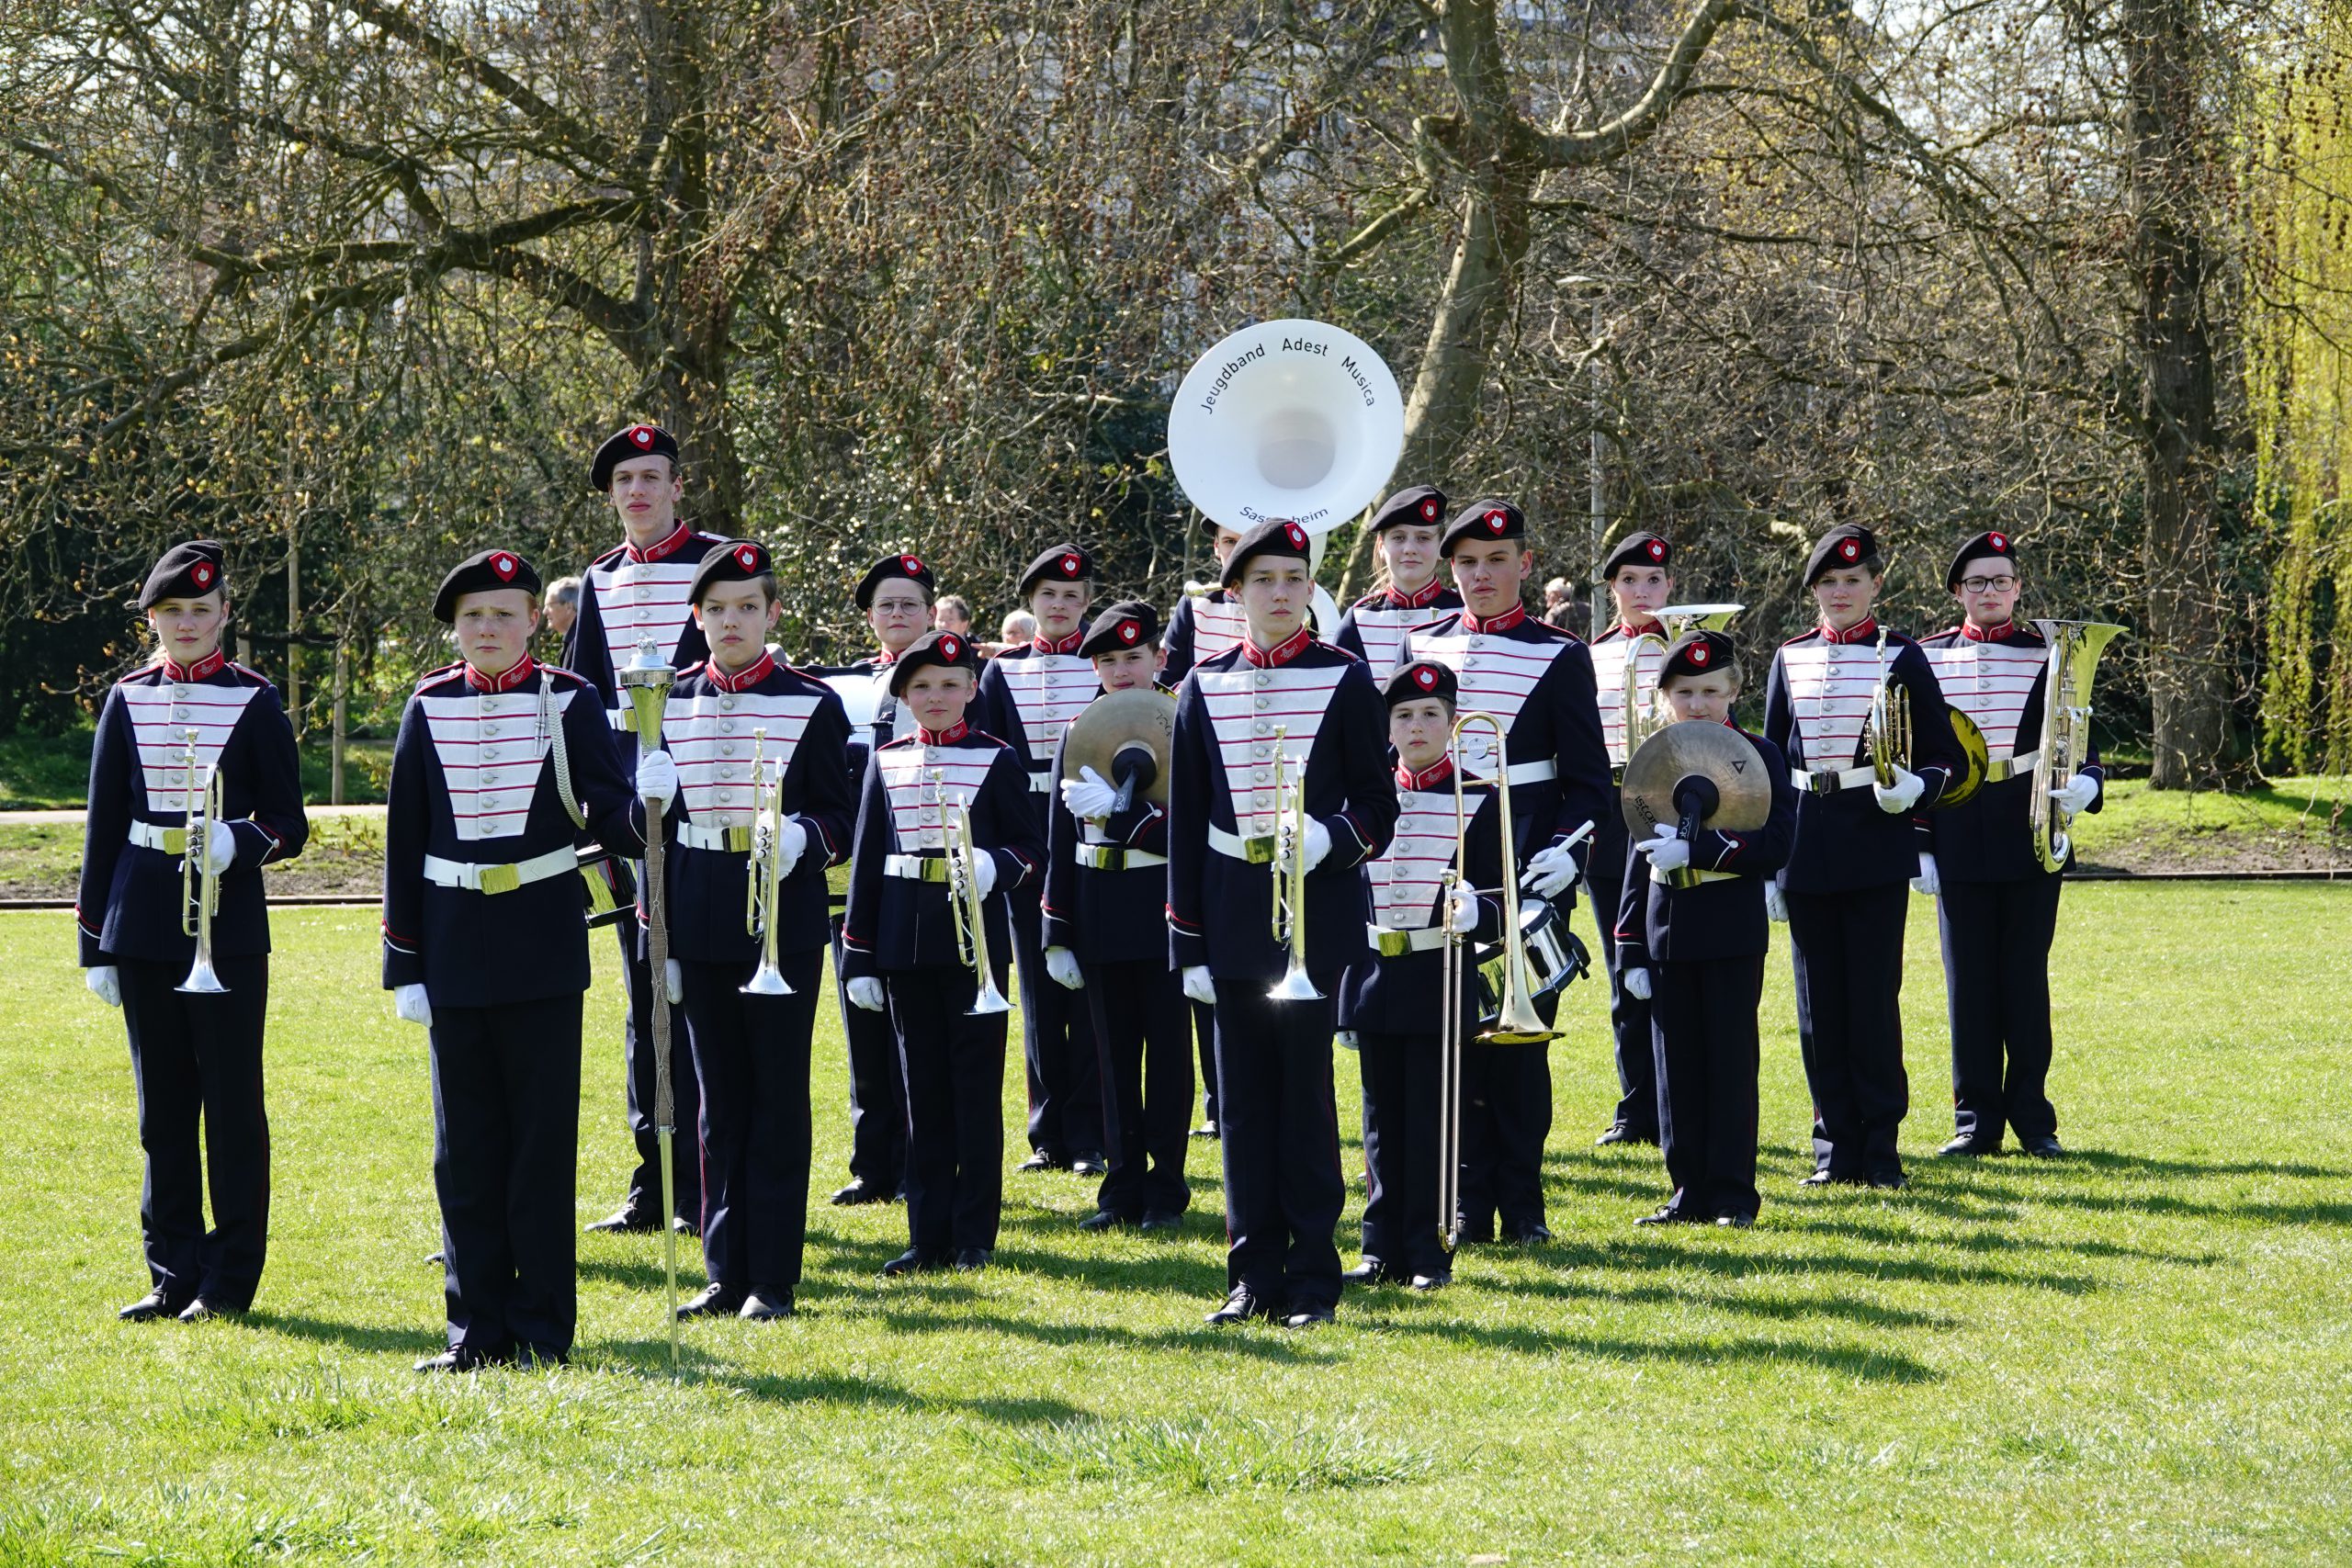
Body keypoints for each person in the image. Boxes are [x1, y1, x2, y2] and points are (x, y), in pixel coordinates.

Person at [383, 548, 649, 1371]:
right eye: (472, 616)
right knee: (462, 1152)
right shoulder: (427, 705)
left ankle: (541, 1329)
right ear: (455, 629)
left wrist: (650, 800)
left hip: (540, 942)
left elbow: (614, 821)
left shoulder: (570, 700)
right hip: (454, 942)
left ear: (535, 619)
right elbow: (404, 842)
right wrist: (405, 964)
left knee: (539, 1148)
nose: (488, 629)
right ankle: (474, 1332)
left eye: (504, 613)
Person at [1169, 517, 1396, 1328]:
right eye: (1262, 580)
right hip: (1231, 912)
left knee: (1305, 1100)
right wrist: (1186, 938)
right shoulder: (1202, 683)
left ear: (1309, 588)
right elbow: (1187, 821)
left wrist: (1332, 837)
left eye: (1293, 579)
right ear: (1235, 592)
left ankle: (1312, 1276)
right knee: (1239, 1105)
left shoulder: (1347, 677)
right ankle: (1251, 1275)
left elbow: (1380, 804)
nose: (1279, 593)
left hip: (1315, 917)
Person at [80, 541, 309, 1323]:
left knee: (233, 1105)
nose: (186, 624)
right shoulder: (127, 696)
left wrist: (239, 842)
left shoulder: (257, 698)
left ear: (225, 616)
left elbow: (290, 820)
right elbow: (103, 826)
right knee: (162, 1108)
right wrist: (94, 942)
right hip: (144, 919)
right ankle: (171, 1269)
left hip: (229, 921)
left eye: (201, 611)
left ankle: (230, 1276)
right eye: (172, 612)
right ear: (152, 618)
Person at [652, 541, 856, 1322]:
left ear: (773, 614)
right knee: (716, 1101)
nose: (730, 620)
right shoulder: (663, 700)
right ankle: (721, 1271)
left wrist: (806, 836)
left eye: (746, 606)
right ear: (696, 617)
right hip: (699, 909)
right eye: (715, 608)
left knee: (776, 1097)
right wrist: (656, 934)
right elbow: (651, 837)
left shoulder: (814, 700)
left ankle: (771, 1276)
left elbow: (843, 815)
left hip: (784, 916)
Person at [1407, 500, 1612, 1245]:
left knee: (1521, 1047)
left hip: (1527, 867)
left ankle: (1523, 1204)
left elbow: (1590, 780)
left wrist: (1569, 850)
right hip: (1440, 866)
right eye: (1465, 562)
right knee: (1452, 1042)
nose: (1479, 575)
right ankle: (1464, 1201)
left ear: (1525, 565)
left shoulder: (1560, 653)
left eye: (1496, 561)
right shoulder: (1419, 644)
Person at [1763, 524, 1962, 1190]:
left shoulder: (1902, 655)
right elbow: (1767, 762)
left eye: (1852, 580)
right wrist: (1769, 860)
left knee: (1873, 1001)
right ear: (1814, 590)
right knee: (1818, 1008)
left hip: (1874, 844)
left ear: (1875, 583)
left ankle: (1880, 1148)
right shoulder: (1789, 657)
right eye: (1827, 582)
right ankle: (1832, 1149)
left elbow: (1947, 755)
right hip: (1804, 847)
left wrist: (1917, 789)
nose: (1839, 592)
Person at [564, 422, 726, 1237]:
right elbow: (584, 698)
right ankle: (654, 1179)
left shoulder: (721, 562)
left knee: (698, 989)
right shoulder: (598, 581)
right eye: (624, 479)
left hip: (707, 802)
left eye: (651, 476)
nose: (638, 492)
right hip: (633, 815)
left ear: (675, 485)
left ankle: (712, 1176)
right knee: (642, 997)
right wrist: (603, 812)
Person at [842, 630, 1042, 1275]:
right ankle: (926, 1234)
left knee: (975, 1093)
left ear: (972, 691)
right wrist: (860, 956)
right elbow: (868, 862)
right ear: (903, 693)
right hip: (905, 944)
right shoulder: (887, 759)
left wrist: (995, 864)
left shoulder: (999, 757)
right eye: (921, 686)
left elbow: (1031, 849)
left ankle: (974, 1233)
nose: (936, 696)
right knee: (919, 1093)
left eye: (950, 685)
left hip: (974, 945)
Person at [1917, 531, 2104, 1159]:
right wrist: (1919, 844)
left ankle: (2033, 1118)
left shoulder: (2050, 650)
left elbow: (2080, 736)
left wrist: (2088, 782)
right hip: (1956, 825)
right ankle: (1975, 1120)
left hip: (2030, 826)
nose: (1990, 592)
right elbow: (1914, 752)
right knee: (1967, 983)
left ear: (2019, 587)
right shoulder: (1927, 656)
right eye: (1977, 582)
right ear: (1957, 592)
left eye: (2001, 580)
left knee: (2025, 980)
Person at [1614, 629, 1795, 1228]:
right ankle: (1686, 1188)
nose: (1697, 704)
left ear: (1734, 690)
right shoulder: (1656, 758)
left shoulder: (1764, 755)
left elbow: (1775, 844)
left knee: (1729, 1062)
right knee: (1675, 1066)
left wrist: (1698, 848)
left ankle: (1733, 1194)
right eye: (1684, 692)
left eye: (1710, 690)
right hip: (1666, 929)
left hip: (1730, 928)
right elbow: (1634, 859)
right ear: (1665, 698)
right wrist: (1630, 948)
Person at [1340, 660, 1502, 1292]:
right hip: (1376, 969)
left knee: (1433, 1122)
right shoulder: (1369, 798)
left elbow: (1499, 900)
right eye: (1403, 715)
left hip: (1440, 972)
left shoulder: (1479, 796)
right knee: (1379, 1121)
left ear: (1453, 723)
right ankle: (1379, 1247)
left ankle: (1430, 1250)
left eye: (1431, 714)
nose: (1416, 726)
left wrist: (1477, 911)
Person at [1042, 601, 1191, 1233]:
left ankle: (1166, 1186)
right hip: (1101, 911)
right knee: (1111, 1058)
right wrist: (1057, 931)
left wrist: (1126, 818)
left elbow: (1193, 833)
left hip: (1162, 909)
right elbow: (1058, 841)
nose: (1122, 670)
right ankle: (1120, 1186)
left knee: (1169, 1058)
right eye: (1108, 660)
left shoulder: (1185, 724)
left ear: (1158, 657)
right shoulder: (1080, 730)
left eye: (1134, 656)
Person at [974, 543, 1105, 1177]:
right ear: (1032, 602)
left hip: (1095, 838)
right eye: (1049, 594)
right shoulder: (1001, 672)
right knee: (1037, 988)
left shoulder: (1101, 664)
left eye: (1072, 597)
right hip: (1029, 844)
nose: (1059, 605)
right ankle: (1047, 1132)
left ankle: (1091, 1131)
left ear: (1085, 605)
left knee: (1091, 990)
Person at [825, 552, 939, 1207]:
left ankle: (927, 1163)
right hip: (862, 883)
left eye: (909, 604)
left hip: (932, 884)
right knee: (862, 1027)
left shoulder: (958, 683)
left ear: (930, 612)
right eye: (886, 606)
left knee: (924, 1037)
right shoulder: (851, 689)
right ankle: (875, 1164)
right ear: (870, 619)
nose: (897, 615)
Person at [1585, 531, 1677, 1147]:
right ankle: (1636, 1103)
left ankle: (1677, 1096)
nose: (1642, 592)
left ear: (1670, 586)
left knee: (1671, 958)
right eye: (1629, 581)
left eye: (1653, 580)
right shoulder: (1588, 654)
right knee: (1624, 965)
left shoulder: (1690, 652)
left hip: (1672, 807)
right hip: (1612, 808)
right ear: (1612, 588)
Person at [1160, 515, 1249, 1139]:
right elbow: (1170, 693)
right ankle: (1221, 1099)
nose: (1236, 551)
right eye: (1227, 542)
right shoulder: (1193, 611)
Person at [1334, 485, 1463, 679]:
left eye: (1423, 538)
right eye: (1399, 537)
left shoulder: (1464, 612)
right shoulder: (1358, 619)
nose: (1409, 548)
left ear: (1440, 547)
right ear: (1380, 546)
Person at [545, 577, 582, 643]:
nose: (544, 612)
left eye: (550, 605)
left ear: (568, 607)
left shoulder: (584, 643)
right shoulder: (575, 641)